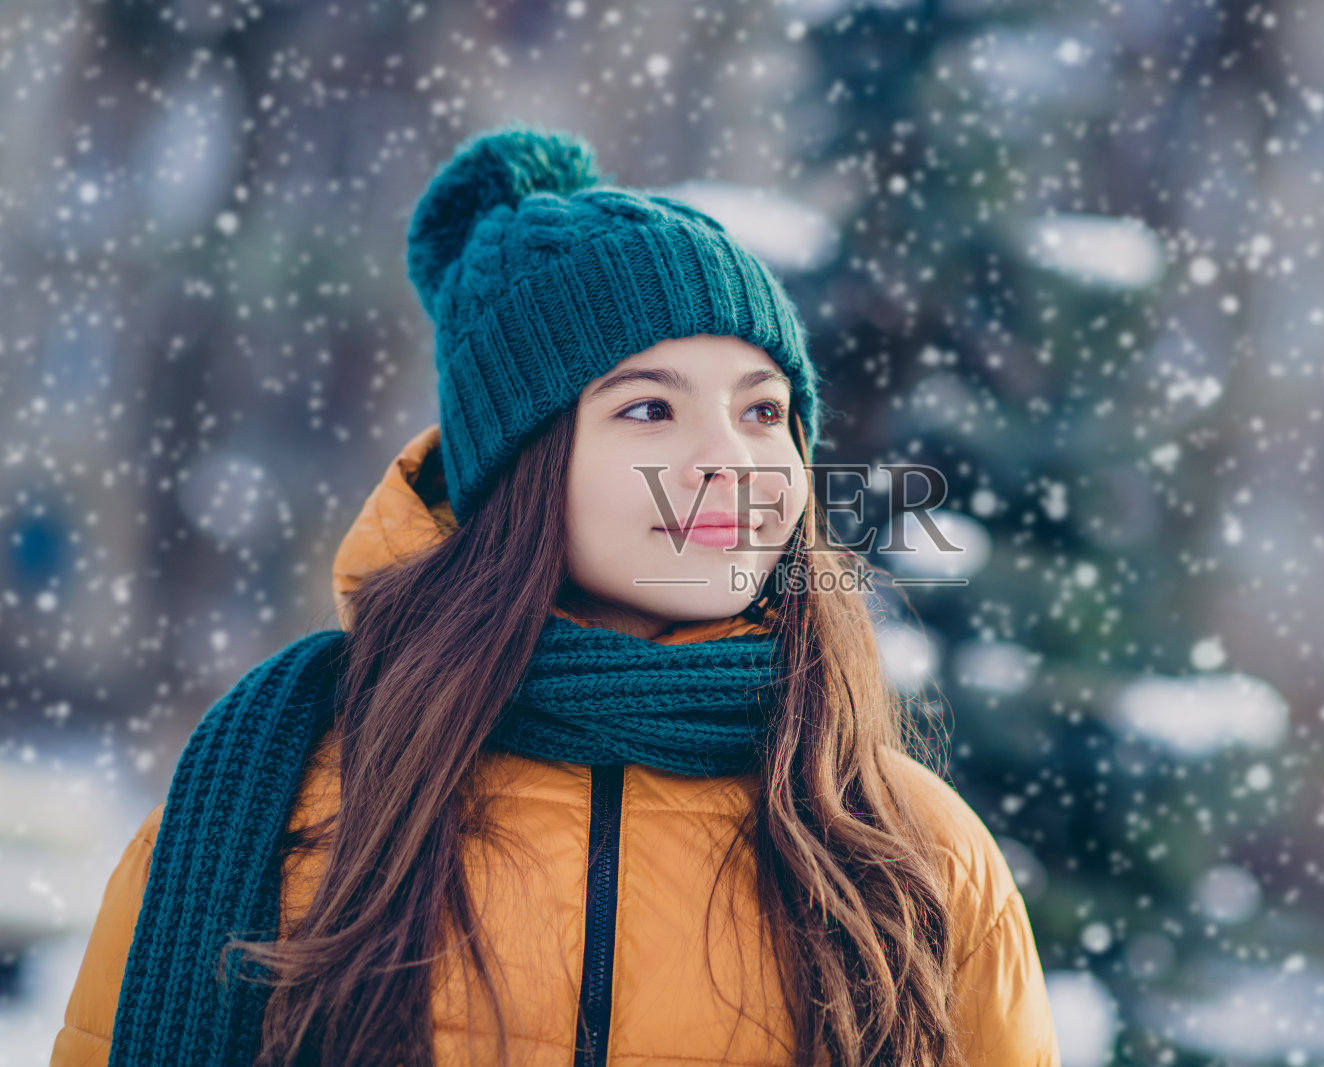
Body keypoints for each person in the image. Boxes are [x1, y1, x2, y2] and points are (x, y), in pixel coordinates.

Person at [50, 122, 1060, 1067]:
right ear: (520, 467)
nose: (731, 460)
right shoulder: (273, 803)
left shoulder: (913, 851)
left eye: (764, 411)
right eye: (649, 408)